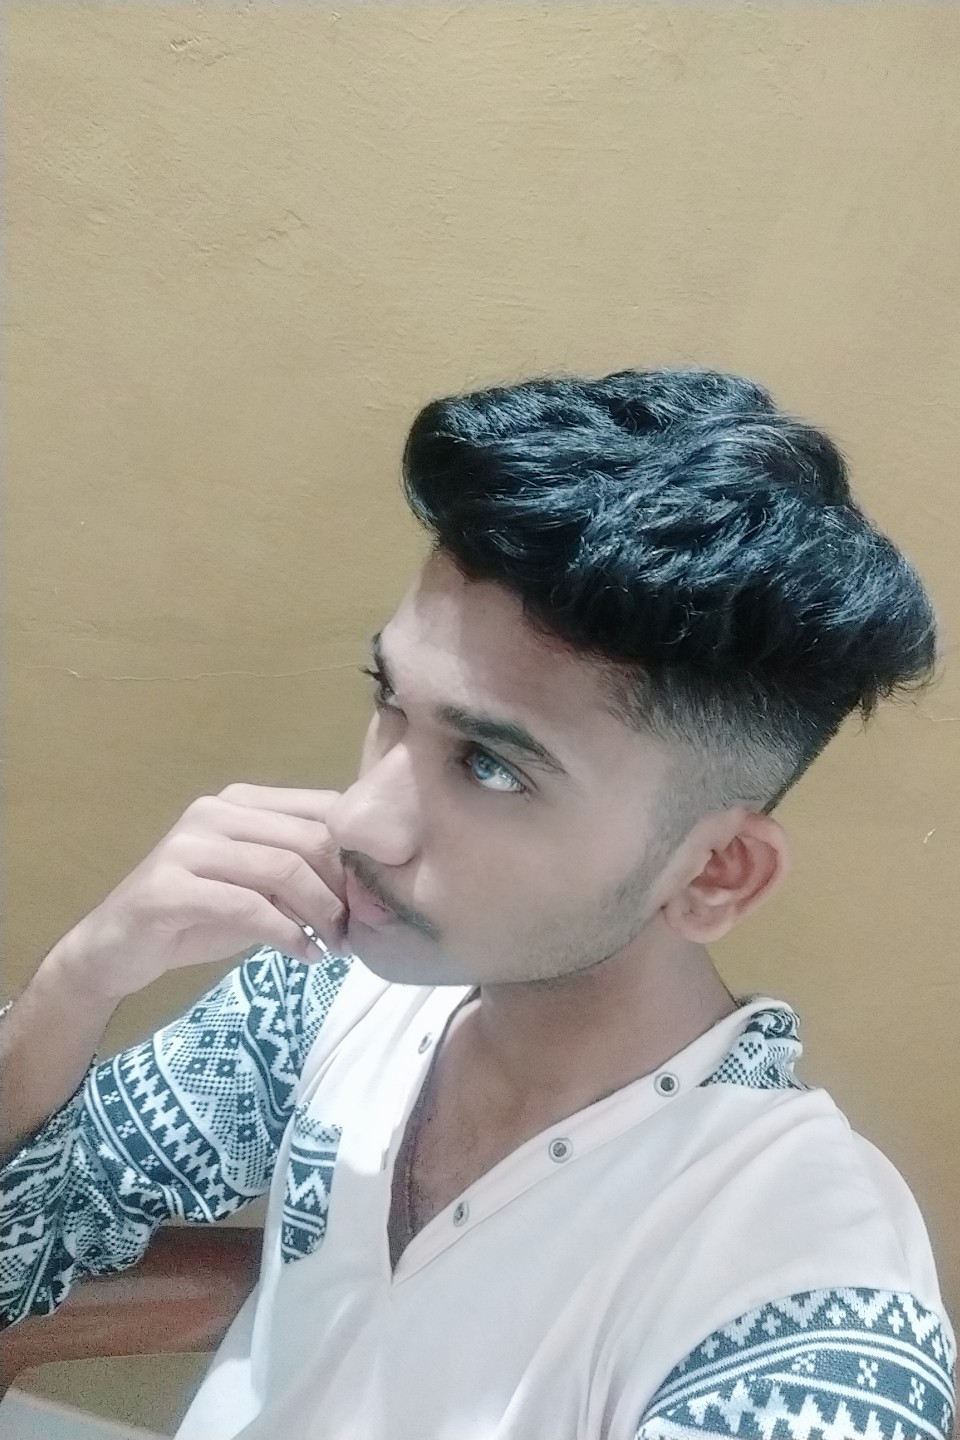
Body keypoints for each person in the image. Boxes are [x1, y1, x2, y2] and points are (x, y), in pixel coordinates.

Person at [0, 366, 954, 1440]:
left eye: (492, 767)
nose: (361, 817)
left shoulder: (808, 1306)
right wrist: (78, 980)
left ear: (713, 872)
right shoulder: (326, 997)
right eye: (389, 701)